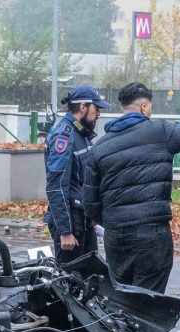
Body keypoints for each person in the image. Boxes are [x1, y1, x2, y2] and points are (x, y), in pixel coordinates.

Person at [83, 82, 180, 292]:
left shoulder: (99, 148)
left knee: (122, 298)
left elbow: (90, 203)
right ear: (144, 107)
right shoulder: (160, 132)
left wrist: (112, 221)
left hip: (115, 236)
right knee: (149, 300)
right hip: (150, 234)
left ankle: (123, 325)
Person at [44, 85, 110, 263]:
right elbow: (56, 186)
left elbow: (84, 182)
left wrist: (94, 219)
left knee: (90, 278)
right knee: (69, 282)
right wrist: (65, 231)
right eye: (96, 108)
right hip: (72, 223)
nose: (98, 114)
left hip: (84, 220)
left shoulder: (81, 134)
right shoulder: (64, 137)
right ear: (83, 107)